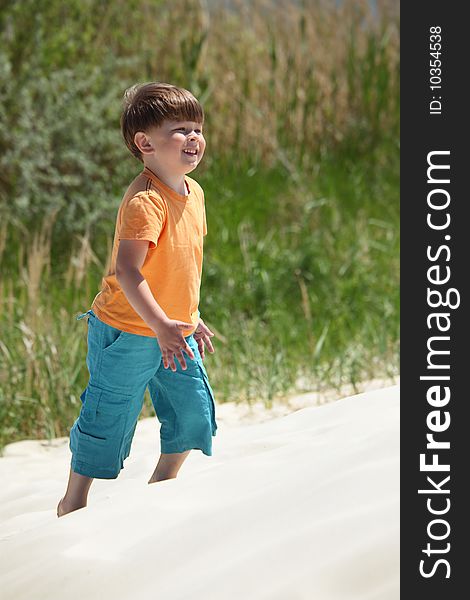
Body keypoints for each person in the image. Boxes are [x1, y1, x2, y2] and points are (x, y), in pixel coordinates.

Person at [57, 82, 217, 518]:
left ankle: (161, 489)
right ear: (144, 143)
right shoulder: (147, 201)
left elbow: (180, 267)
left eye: (197, 128)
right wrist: (162, 325)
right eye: (180, 129)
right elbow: (129, 272)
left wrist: (189, 316)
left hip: (173, 328)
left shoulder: (195, 193)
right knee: (109, 415)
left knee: (193, 414)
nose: (194, 138)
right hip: (128, 329)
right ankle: (73, 503)